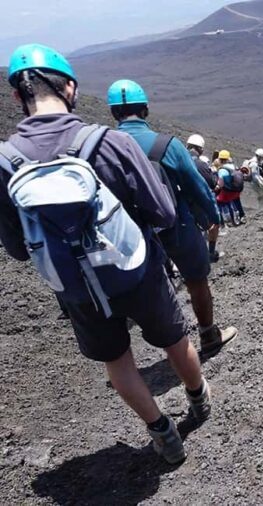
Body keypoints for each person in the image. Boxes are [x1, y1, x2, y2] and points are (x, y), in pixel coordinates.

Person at [0, 44, 209, 463]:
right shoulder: (109, 143)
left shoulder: (5, 162)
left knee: (118, 361)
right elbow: (163, 212)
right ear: (71, 89)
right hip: (136, 268)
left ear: (17, 98)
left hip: (75, 286)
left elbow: (17, 249)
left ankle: (162, 432)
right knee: (173, 339)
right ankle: (198, 400)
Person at [108, 79, 238, 359]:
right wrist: (212, 217)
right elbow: (197, 187)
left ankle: (168, 345)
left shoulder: (104, 148)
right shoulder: (167, 145)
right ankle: (208, 335)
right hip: (175, 227)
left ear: (113, 113)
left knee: (149, 287)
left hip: (131, 235)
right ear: (145, 110)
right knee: (196, 279)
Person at [185, 134, 222, 262]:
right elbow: (212, 184)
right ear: (200, 149)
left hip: (176, 203)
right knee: (214, 224)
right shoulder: (200, 165)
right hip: (196, 204)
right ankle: (210, 253)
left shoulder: (175, 160)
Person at [215, 150, 243, 226]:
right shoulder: (234, 167)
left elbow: (221, 183)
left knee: (218, 202)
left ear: (220, 159)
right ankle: (237, 218)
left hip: (227, 192)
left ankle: (225, 221)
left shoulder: (222, 170)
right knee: (232, 202)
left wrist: (217, 187)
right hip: (236, 191)